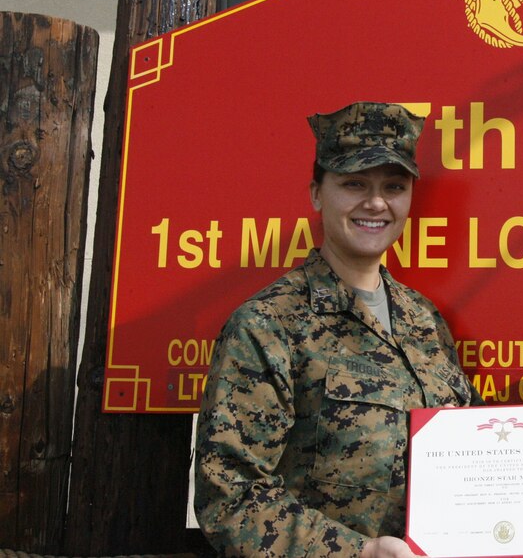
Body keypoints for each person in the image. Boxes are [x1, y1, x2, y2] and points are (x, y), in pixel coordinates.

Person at [195, 102, 481, 557]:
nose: (376, 202)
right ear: (316, 193)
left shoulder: (426, 321)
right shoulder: (269, 325)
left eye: (394, 186)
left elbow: (477, 461)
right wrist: (358, 554)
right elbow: (232, 497)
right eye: (353, 184)